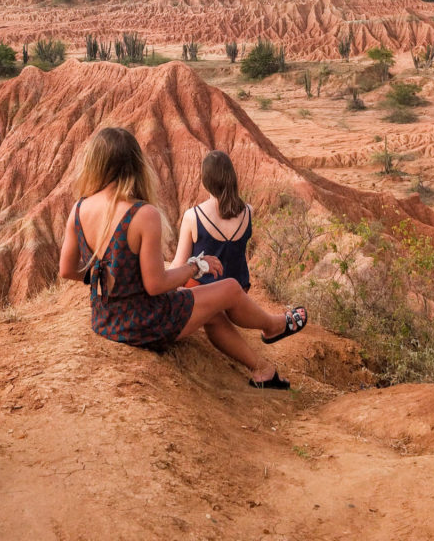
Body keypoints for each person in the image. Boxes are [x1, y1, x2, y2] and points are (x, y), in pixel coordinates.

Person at [59, 127, 307, 389]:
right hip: (144, 324)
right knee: (231, 288)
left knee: (212, 314)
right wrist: (195, 267)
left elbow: (66, 269)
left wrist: (104, 277)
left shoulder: (79, 208)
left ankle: (263, 371)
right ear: (135, 164)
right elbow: (155, 284)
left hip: (105, 320)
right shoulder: (143, 214)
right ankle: (274, 325)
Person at [170, 150, 252, 291]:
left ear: (205, 180)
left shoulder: (193, 216)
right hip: (238, 292)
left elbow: (179, 264)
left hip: (203, 294)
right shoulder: (248, 211)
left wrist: (159, 279)